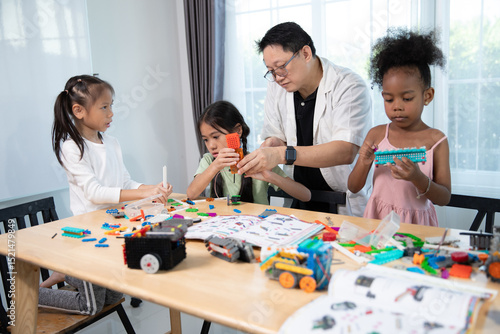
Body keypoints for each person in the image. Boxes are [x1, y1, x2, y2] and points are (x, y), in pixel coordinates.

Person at [40, 74, 173, 314]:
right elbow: (94, 193)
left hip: (111, 228)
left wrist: (152, 189)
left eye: (112, 106)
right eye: (104, 107)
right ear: (79, 110)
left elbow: (126, 182)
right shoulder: (72, 147)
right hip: (86, 235)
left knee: (113, 297)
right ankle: (36, 291)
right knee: (91, 305)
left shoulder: (112, 142)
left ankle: (67, 272)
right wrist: (144, 193)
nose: (111, 113)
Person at [236, 22, 371, 216]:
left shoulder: (349, 86)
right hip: (299, 194)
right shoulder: (278, 86)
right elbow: (277, 136)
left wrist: (282, 154)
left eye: (281, 66)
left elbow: (346, 150)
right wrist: (272, 145)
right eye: (271, 71)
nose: (277, 77)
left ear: (306, 53)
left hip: (342, 199)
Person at [347, 28, 451, 226]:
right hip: (378, 220)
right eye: (389, 99)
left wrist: (417, 178)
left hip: (417, 225)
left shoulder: (436, 140)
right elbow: (353, 187)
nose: (397, 106)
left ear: (427, 96)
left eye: (407, 98)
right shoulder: (376, 135)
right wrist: (363, 161)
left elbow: (444, 197)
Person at [186, 100, 311, 204]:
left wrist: (271, 177)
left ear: (238, 131)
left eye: (216, 137)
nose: (211, 145)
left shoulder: (258, 160)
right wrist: (215, 166)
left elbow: (306, 195)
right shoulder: (209, 160)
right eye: (205, 140)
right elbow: (191, 194)